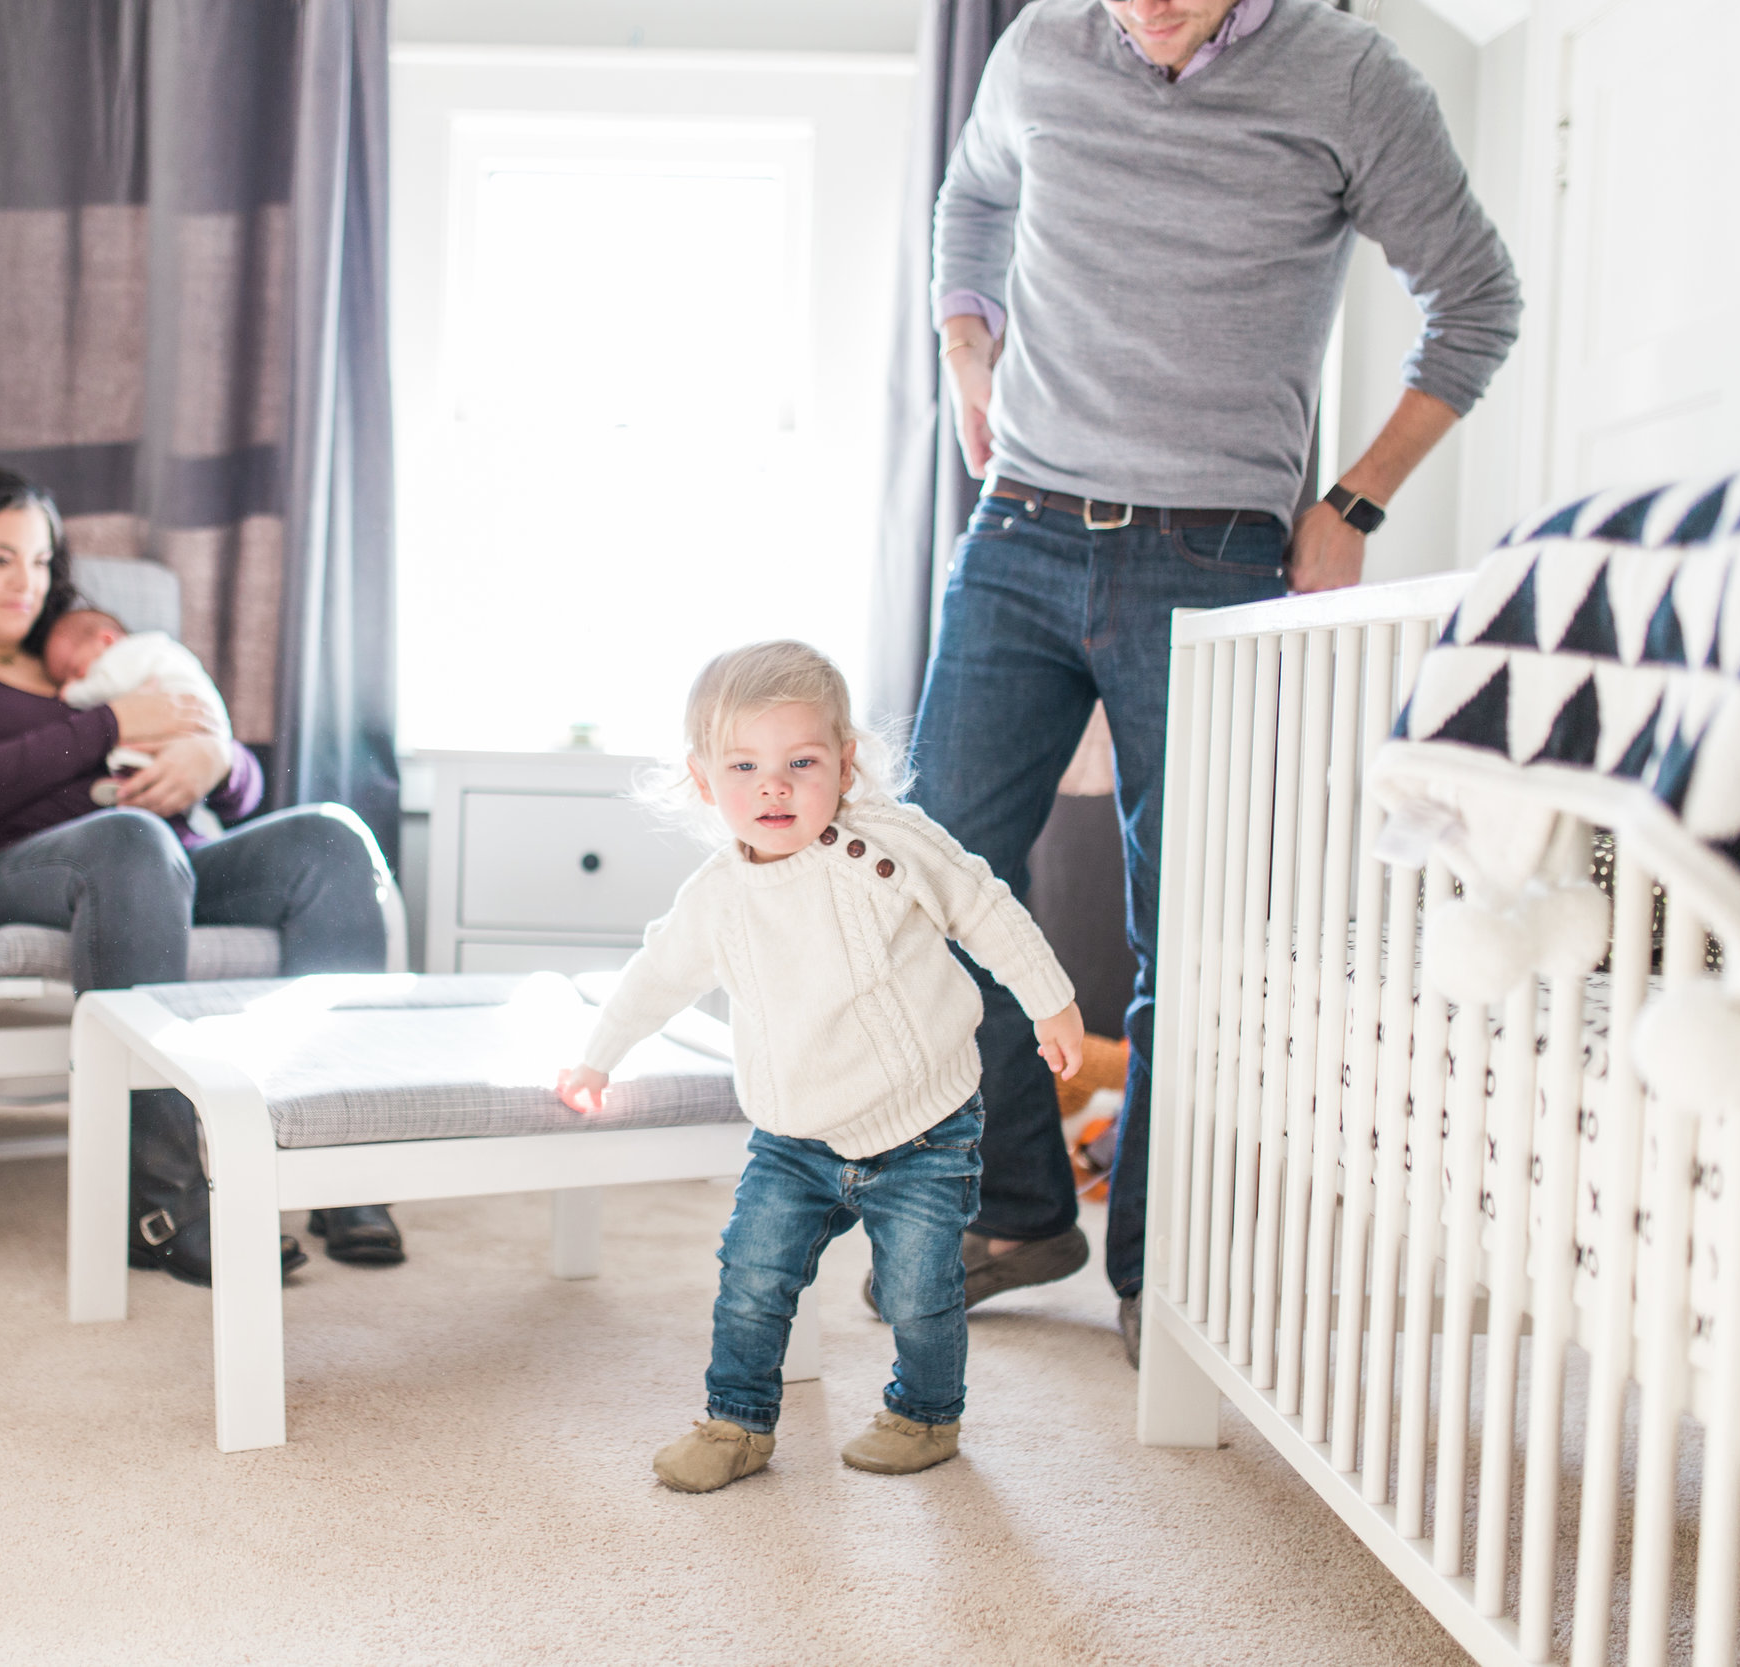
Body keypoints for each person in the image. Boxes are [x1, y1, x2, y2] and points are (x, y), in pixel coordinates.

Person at [918, 0, 1520, 1365]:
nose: (1151, 8)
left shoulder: (1352, 78)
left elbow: (1477, 301)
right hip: (1017, 526)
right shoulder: (1037, 52)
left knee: (1191, 921)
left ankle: (1158, 1265)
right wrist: (971, 354)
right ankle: (1020, 1208)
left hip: (1214, 551)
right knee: (932, 872)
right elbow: (972, 202)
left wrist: (1354, 504)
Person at [555, 642, 1085, 1492]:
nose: (774, 785)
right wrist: (597, 1058)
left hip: (924, 1125)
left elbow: (981, 903)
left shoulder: (892, 844)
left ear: (844, 765)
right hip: (794, 1135)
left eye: (800, 762)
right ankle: (737, 1421)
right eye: (745, 764)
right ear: (703, 781)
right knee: (751, 1280)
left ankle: (925, 1412)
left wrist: (1048, 998)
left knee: (919, 1292)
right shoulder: (717, 897)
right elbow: (656, 975)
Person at [0, 464, 408, 1276]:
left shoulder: (94, 654)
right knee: (130, 837)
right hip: (10, 877)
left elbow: (242, 791)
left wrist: (216, 757)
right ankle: (162, 1200)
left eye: (39, 560)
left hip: (169, 861)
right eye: (0, 558)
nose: (27, 582)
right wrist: (107, 725)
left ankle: (339, 1168)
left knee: (331, 837)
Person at [42, 605, 233, 830]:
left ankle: (127, 789)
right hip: (208, 732)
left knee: (140, 756)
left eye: (75, 670)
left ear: (106, 640)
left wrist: (72, 694)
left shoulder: (127, 655)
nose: (71, 682)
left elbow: (109, 684)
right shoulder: (160, 649)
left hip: (190, 731)